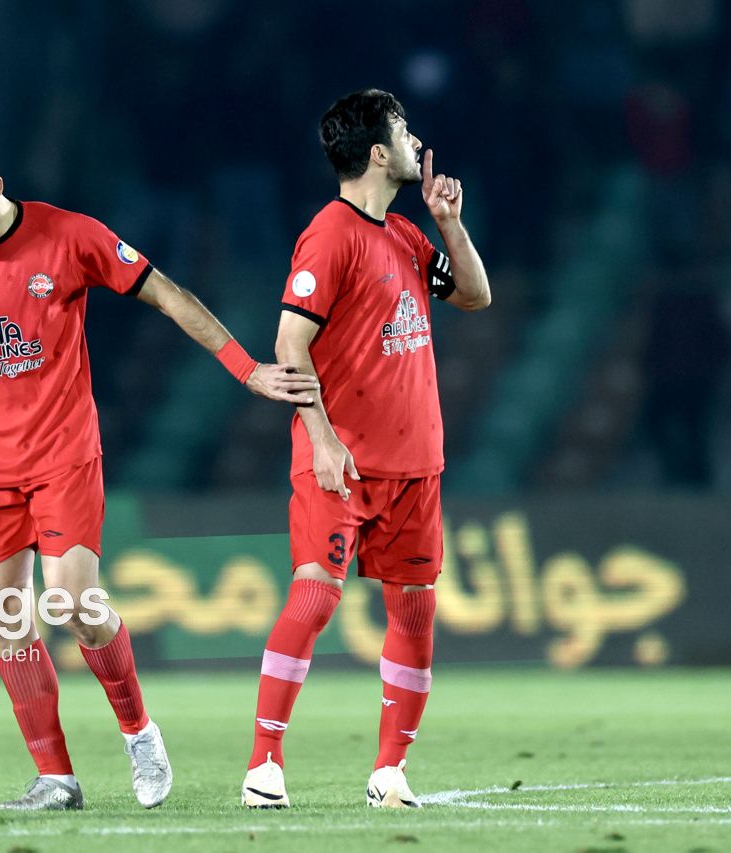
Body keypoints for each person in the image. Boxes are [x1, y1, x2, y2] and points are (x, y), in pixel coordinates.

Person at [0, 132, 318, 812]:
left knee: (73, 601)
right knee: (9, 616)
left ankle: (138, 730)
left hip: (61, 453)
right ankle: (57, 777)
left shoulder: (71, 237)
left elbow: (167, 293)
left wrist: (246, 368)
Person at [241, 89, 490, 809]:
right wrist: (320, 439)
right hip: (343, 462)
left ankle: (390, 771)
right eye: (404, 130)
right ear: (379, 151)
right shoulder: (331, 233)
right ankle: (264, 762)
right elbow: (290, 342)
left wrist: (451, 224)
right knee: (316, 597)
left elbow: (475, 295)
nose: (416, 140)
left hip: (417, 464)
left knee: (414, 612)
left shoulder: (409, 235)